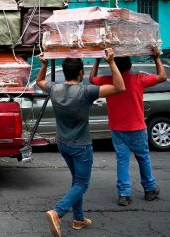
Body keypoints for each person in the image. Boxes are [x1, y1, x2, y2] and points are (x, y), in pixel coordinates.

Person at [36, 48, 125, 237]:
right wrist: (110, 62)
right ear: (81, 73)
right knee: (82, 184)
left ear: (64, 71)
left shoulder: (54, 88)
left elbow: (39, 81)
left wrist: (43, 65)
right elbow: (120, 87)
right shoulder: (86, 91)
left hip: (63, 144)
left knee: (77, 182)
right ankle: (57, 212)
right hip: (81, 146)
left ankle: (78, 219)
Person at [89, 50, 167, 206]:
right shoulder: (138, 79)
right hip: (137, 127)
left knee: (122, 161)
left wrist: (97, 61)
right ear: (130, 66)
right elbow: (162, 76)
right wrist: (156, 58)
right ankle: (150, 189)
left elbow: (91, 79)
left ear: (114, 66)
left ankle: (124, 194)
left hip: (118, 128)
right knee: (143, 158)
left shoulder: (108, 80)